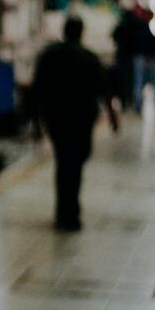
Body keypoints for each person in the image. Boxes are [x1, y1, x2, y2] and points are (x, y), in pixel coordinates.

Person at [32, 15, 120, 231]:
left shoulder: (49, 55)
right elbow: (104, 89)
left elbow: (37, 90)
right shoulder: (88, 57)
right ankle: (71, 212)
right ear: (81, 32)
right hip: (82, 119)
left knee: (63, 163)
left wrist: (35, 123)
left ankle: (64, 212)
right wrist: (112, 116)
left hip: (56, 118)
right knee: (76, 164)